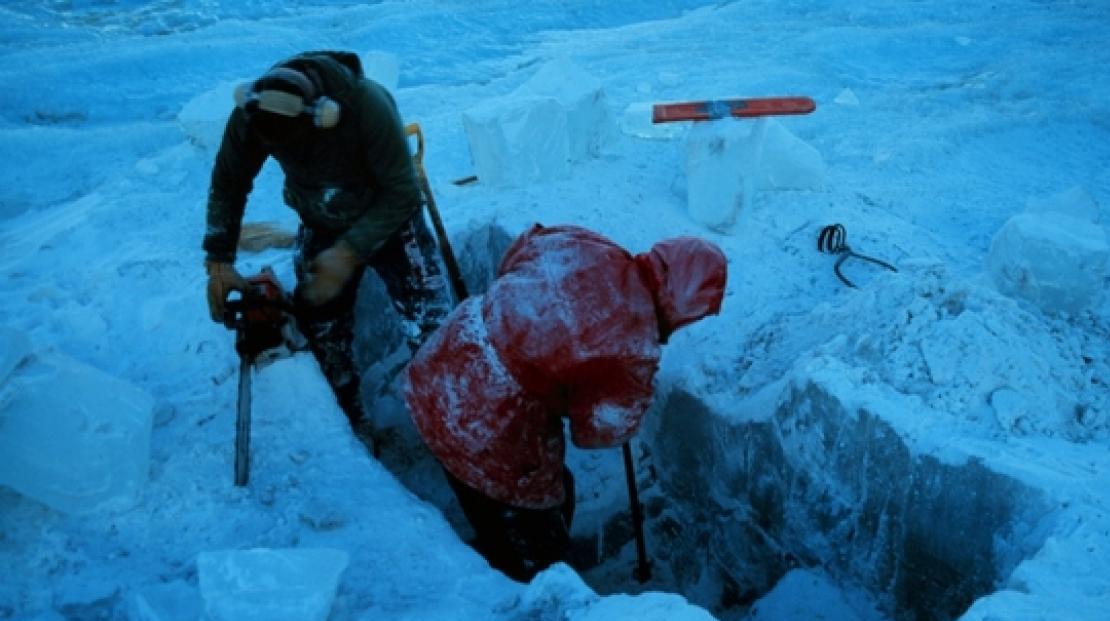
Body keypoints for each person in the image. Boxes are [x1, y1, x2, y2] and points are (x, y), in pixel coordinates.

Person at [403, 223, 727, 582]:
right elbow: (598, 432)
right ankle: (509, 580)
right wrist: (624, 391)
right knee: (536, 549)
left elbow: (516, 253)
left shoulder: (586, 243)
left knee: (551, 494)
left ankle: (494, 546)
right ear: (684, 305)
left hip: (441, 362)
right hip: (488, 429)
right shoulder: (633, 348)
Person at [202, 51, 451, 439]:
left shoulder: (366, 107)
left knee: (432, 324)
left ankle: (450, 419)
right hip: (321, 216)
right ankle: (350, 423)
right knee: (321, 326)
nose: (287, 154)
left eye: (295, 145)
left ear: (319, 118)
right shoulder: (254, 114)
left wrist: (348, 253)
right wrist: (218, 260)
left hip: (391, 219)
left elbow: (402, 193)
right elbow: (229, 182)